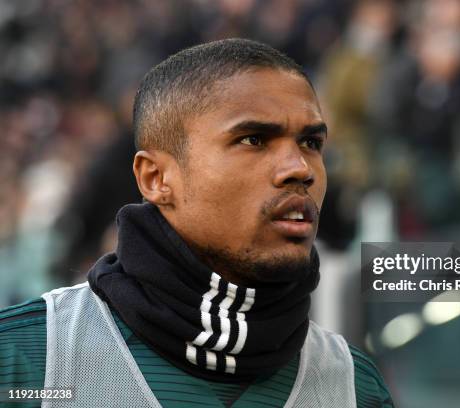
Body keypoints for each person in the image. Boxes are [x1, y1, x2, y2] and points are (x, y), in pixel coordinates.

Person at [0, 39, 394, 407]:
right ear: (156, 178)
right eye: (254, 139)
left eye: (311, 143)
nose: (301, 169)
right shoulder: (25, 359)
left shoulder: (356, 386)